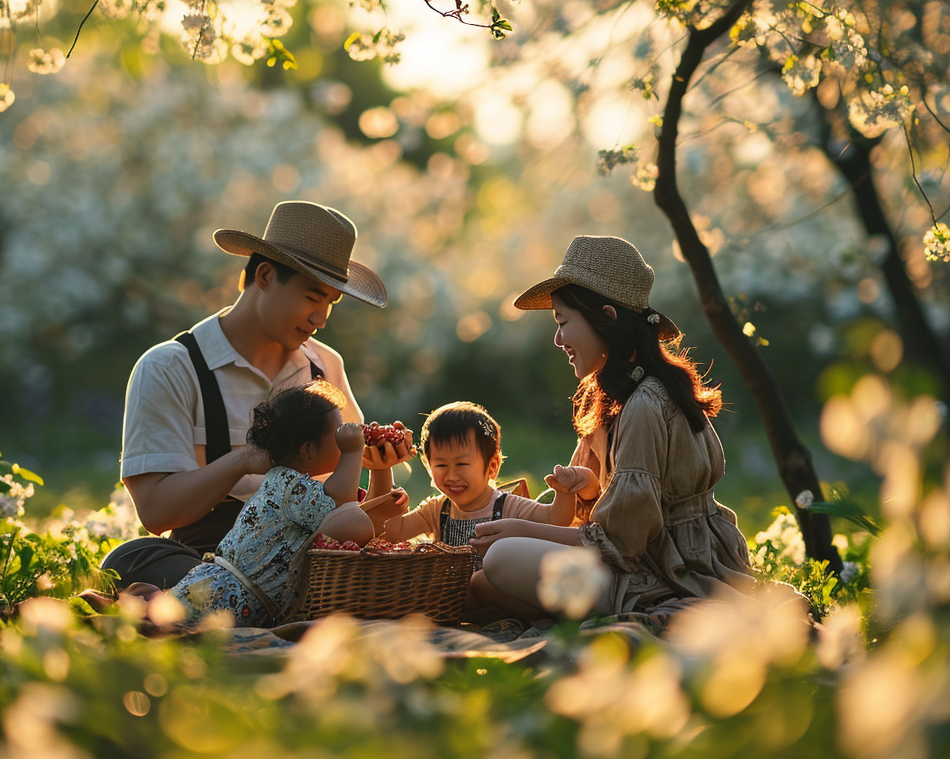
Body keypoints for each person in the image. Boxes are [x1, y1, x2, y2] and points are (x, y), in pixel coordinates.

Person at [103, 201, 412, 589]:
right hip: (209, 558)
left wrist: (379, 462)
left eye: (331, 303)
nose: (321, 318)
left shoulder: (324, 366)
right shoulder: (171, 367)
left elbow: (344, 505)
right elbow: (156, 511)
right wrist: (245, 461)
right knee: (131, 559)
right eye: (312, 297)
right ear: (264, 275)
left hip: (306, 554)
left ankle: (223, 607)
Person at [469, 235, 754, 619]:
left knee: (503, 557)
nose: (558, 339)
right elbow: (622, 506)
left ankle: (606, 612)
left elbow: (620, 541)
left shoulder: (646, 403)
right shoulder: (612, 393)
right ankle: (573, 613)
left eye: (563, 321)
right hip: (639, 557)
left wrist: (523, 530)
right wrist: (589, 491)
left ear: (606, 316)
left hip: (665, 571)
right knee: (481, 585)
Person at [171, 381, 374, 627]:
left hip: (232, 597)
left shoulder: (289, 485)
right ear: (307, 451)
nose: (344, 441)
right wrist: (353, 452)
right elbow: (342, 506)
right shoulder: (289, 486)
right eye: (338, 434)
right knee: (177, 635)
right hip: (221, 597)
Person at [374, 401, 572, 547]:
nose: (451, 475)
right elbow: (389, 532)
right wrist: (382, 467)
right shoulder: (437, 509)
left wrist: (565, 492)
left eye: (462, 464)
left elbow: (554, 519)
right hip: (445, 598)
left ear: (492, 466)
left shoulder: (507, 506)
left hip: (492, 591)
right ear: (428, 465)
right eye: (441, 465)